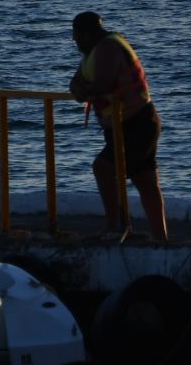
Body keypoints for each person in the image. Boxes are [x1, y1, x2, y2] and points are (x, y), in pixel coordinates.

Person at [67, 12, 168, 243]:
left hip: (136, 124)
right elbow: (75, 84)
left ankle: (116, 227)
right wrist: (83, 89)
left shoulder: (108, 48)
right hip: (125, 126)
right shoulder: (91, 54)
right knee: (145, 181)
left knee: (103, 168)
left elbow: (101, 85)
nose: (74, 42)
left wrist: (85, 89)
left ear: (85, 34)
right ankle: (160, 239)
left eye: (75, 36)